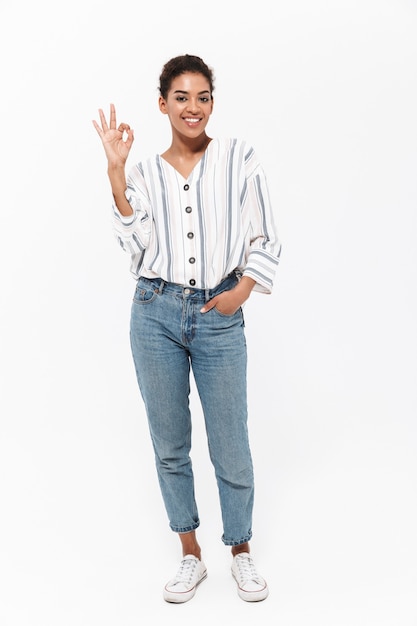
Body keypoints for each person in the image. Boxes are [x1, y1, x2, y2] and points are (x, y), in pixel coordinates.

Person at [93, 53, 281, 603]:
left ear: (212, 104)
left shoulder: (240, 158)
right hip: (154, 312)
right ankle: (190, 556)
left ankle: (240, 552)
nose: (192, 107)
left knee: (231, 443)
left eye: (202, 97)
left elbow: (265, 237)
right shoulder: (146, 173)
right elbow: (134, 245)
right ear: (162, 104)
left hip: (219, 313)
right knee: (170, 443)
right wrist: (115, 172)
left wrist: (239, 293)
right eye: (181, 97)